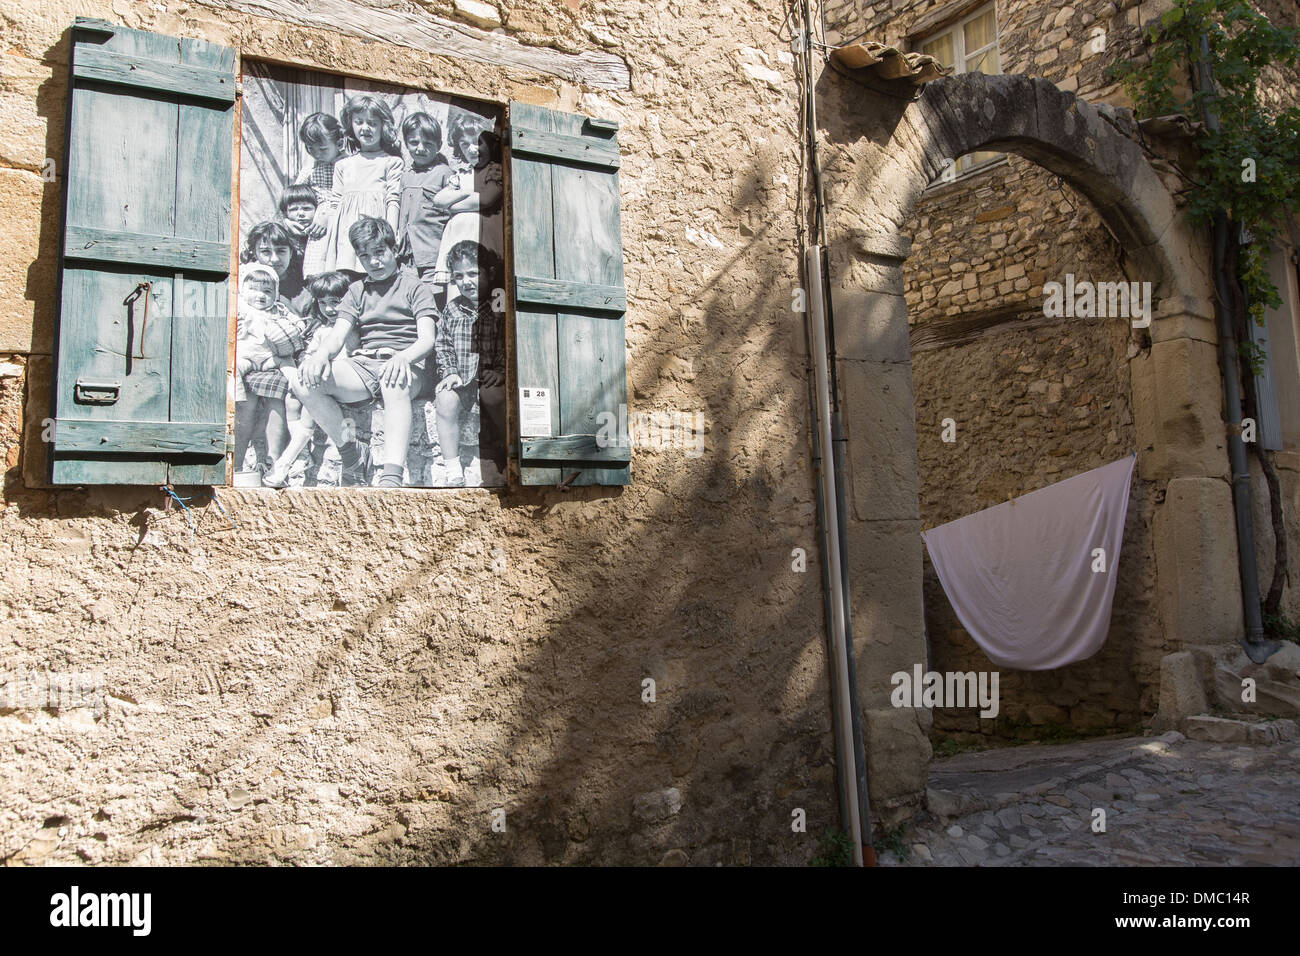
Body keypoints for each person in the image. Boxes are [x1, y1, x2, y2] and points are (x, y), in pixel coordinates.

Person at [297, 217, 437, 488]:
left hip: (407, 365)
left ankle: (392, 475)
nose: (374, 262)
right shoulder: (356, 290)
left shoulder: (415, 287)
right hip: (364, 364)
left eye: (379, 252)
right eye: (365, 256)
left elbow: (427, 339)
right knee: (305, 382)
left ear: (393, 250)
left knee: (392, 380)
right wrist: (320, 355)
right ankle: (352, 454)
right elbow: (337, 334)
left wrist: (402, 357)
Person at [262, 270, 352, 489]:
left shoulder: (347, 329)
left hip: (335, 380)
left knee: (308, 407)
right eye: (323, 303)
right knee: (292, 401)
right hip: (314, 379)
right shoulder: (319, 328)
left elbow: (347, 357)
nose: (329, 309)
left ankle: (287, 460)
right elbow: (309, 355)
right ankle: (302, 453)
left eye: (335, 302)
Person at [433, 240, 506, 486]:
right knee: (444, 400)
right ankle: (452, 467)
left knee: (494, 396)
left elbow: (507, 341)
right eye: (459, 276)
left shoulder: (499, 305)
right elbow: (442, 343)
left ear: (490, 272)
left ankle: (508, 452)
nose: (466, 281)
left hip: (489, 380)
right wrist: (449, 372)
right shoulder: (453, 309)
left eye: (473, 273)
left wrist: (500, 370)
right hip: (462, 381)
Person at [317, 95, 404, 277]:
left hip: (376, 234)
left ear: (383, 126)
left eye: (372, 123)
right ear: (351, 125)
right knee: (349, 280)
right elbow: (335, 203)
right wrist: (330, 245)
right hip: (345, 236)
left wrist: (390, 237)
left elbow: (393, 200)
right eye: (359, 122)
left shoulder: (391, 162)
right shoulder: (343, 165)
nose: (365, 128)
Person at [430, 122, 503, 285]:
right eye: (465, 144)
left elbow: (485, 199)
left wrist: (453, 205)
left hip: (481, 235)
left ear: (490, 144)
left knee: (480, 278)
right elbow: (439, 200)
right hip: (457, 236)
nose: (471, 149)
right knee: (458, 278)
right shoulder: (462, 174)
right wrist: (466, 192)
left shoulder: (494, 169)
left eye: (478, 142)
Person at [395, 111, 454, 284]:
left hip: (432, 253)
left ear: (439, 145)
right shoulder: (405, 176)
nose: (420, 148)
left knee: (432, 299)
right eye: (414, 142)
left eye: (427, 143)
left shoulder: (445, 173)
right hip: (406, 256)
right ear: (406, 143)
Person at [294, 112, 348, 279]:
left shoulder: (348, 165)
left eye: (323, 149)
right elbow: (294, 196)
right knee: (317, 271)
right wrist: (289, 219)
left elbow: (352, 197)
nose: (316, 154)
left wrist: (328, 215)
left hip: (341, 222)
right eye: (310, 149)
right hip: (317, 228)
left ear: (339, 143)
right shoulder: (310, 169)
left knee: (338, 270)